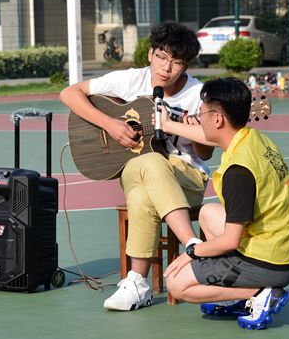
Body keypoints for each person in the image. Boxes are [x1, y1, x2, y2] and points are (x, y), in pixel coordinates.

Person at [59, 20, 214, 311]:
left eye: (176, 62)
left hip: (187, 178)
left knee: (144, 186)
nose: (166, 68)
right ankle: (194, 246)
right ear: (150, 54)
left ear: (186, 65)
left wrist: (193, 129)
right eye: (162, 57)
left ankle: (137, 283)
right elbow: (69, 93)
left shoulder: (199, 95)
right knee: (148, 163)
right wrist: (110, 124)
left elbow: (204, 154)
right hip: (136, 169)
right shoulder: (132, 80)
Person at [160, 77, 289, 330]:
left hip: (271, 262)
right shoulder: (253, 138)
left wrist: (191, 252)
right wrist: (167, 124)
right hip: (288, 248)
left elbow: (230, 241)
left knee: (176, 283)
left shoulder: (238, 172)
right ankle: (243, 292)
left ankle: (260, 292)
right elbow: (208, 136)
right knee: (208, 213)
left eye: (201, 113)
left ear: (218, 119)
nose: (198, 118)